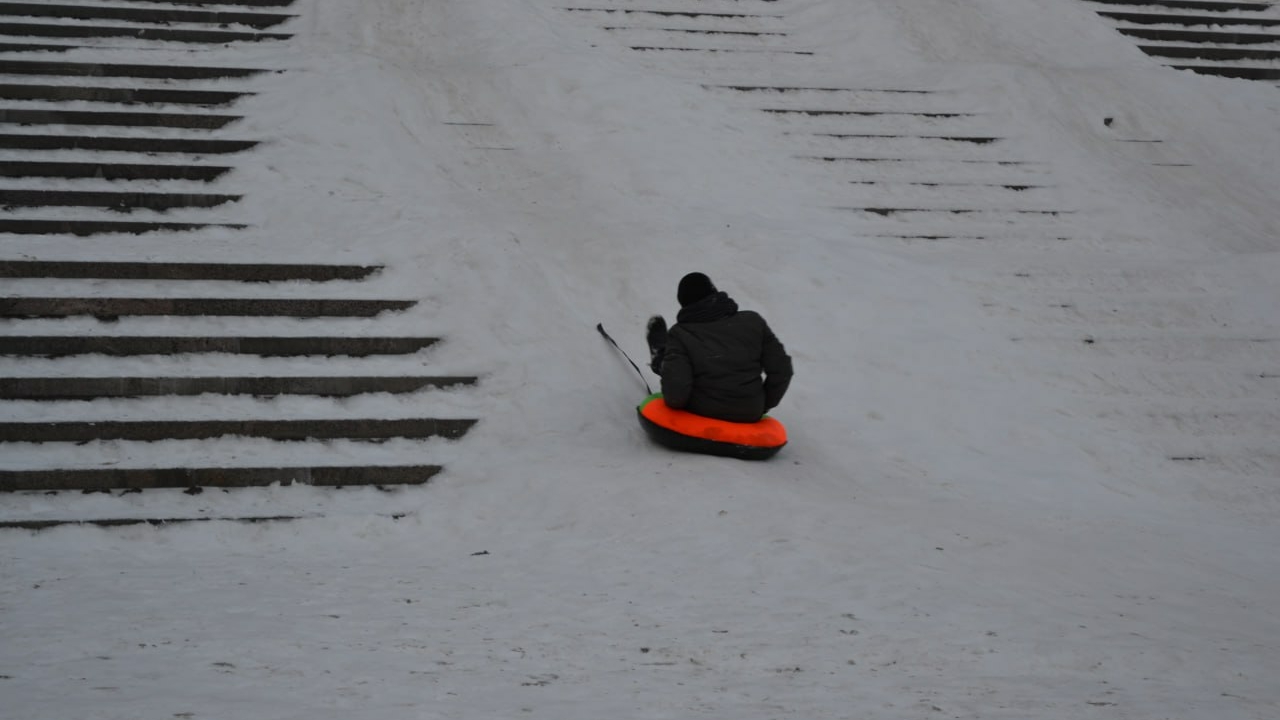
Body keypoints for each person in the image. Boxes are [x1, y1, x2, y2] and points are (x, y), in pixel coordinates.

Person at [646, 272, 793, 423]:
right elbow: (782, 370)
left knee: (674, 366)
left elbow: (676, 392)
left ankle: (660, 359)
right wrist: (762, 404)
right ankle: (664, 359)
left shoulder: (681, 333)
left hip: (701, 411)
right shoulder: (754, 322)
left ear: (684, 304)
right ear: (714, 292)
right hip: (749, 412)